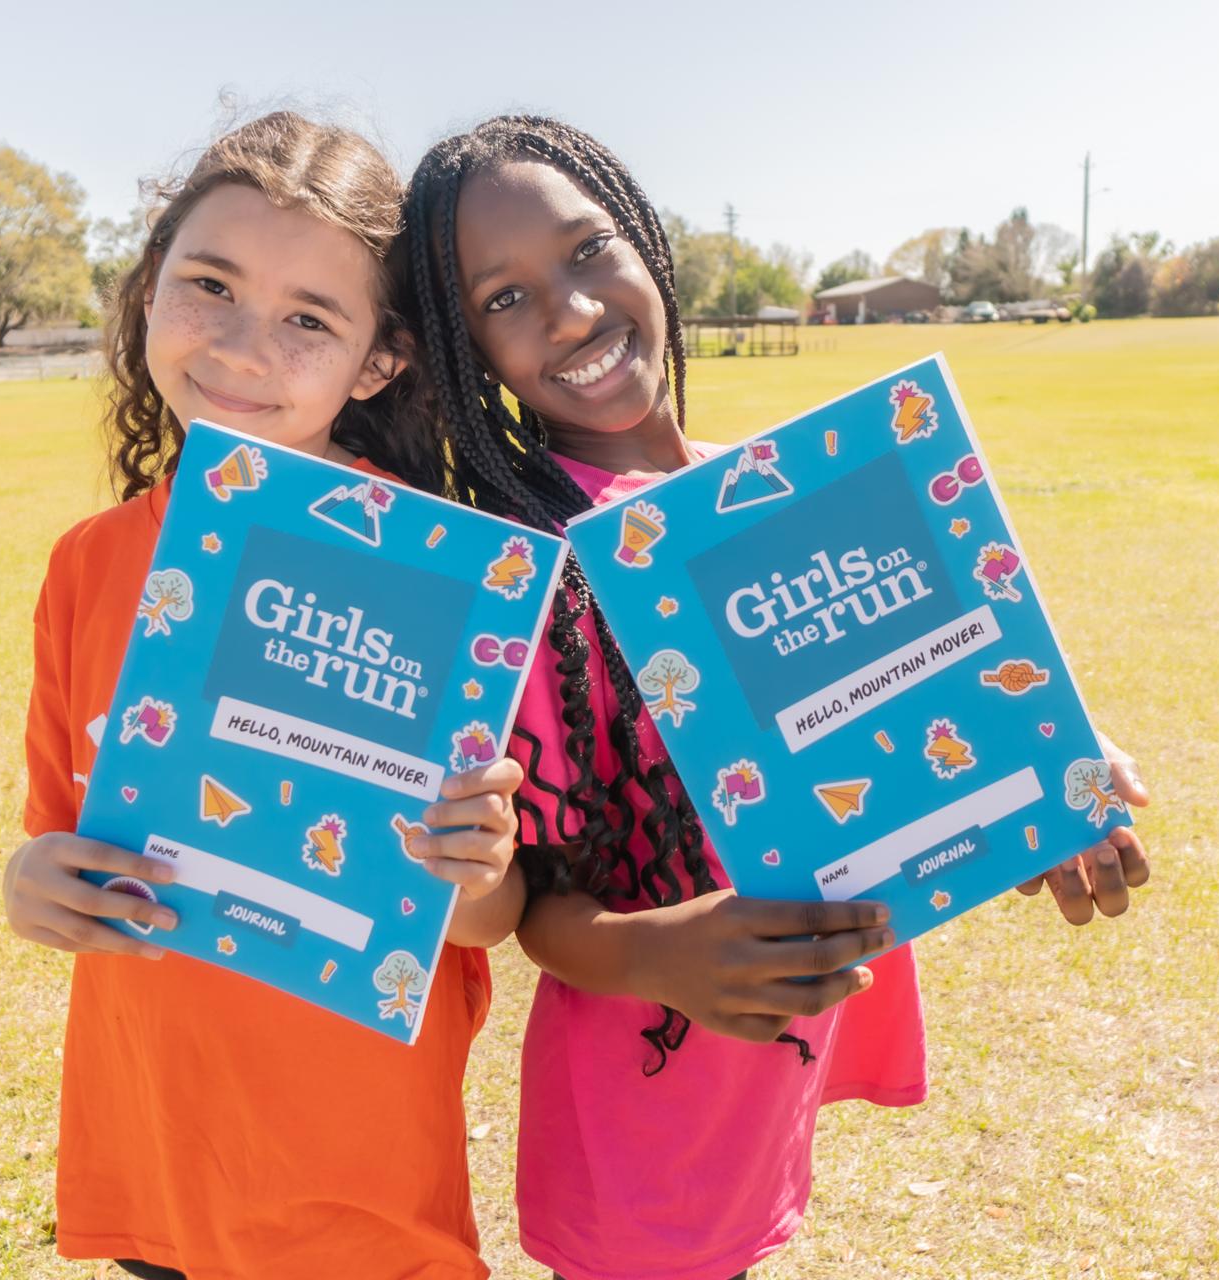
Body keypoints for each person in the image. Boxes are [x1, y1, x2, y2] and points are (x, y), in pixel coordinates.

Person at [400, 115, 1153, 1280]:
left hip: (770, 1066)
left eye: (589, 248)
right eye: (503, 298)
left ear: (647, 243)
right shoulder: (533, 572)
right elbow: (534, 900)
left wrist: (1044, 774)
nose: (571, 309)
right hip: (646, 1112)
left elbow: (907, 716)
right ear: (465, 347)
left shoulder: (775, 494)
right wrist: (657, 954)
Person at [3, 112, 524, 1280]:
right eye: (210, 284)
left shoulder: (441, 572)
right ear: (149, 291)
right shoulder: (86, 563)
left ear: (378, 360)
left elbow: (489, 919)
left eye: (308, 319)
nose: (241, 347)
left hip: (357, 1192)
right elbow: (58, 839)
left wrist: (476, 865)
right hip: (153, 1159)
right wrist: (28, 884)